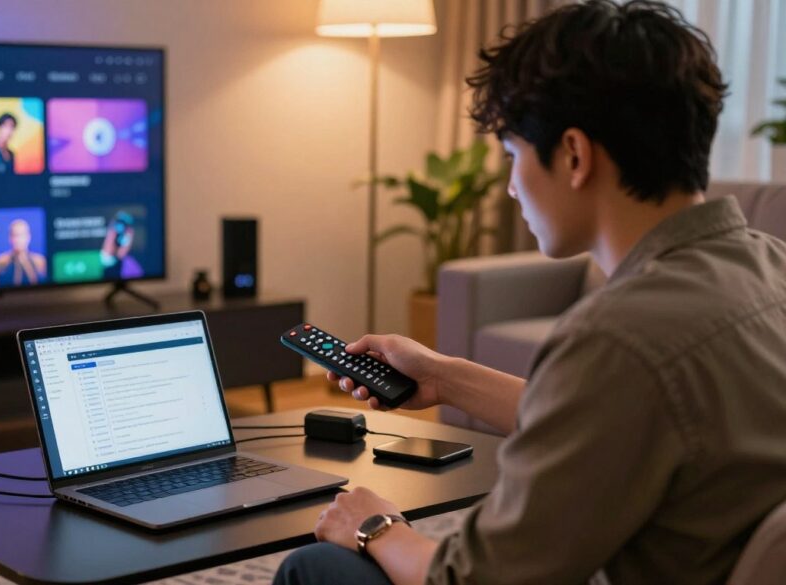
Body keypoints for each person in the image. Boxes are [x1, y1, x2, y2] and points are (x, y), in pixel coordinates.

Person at [275, 1, 786, 584]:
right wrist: (443, 378)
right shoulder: (770, 265)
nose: (512, 187)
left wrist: (377, 526)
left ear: (574, 155)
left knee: (315, 565)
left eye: (513, 155)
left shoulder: (618, 338)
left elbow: (473, 578)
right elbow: (612, 418)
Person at [0, 219, 47, 286]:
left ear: (28, 237)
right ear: (10, 238)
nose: (18, 239)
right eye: (15, 235)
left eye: (22, 235)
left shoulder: (40, 261)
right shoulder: (1, 261)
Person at [100, 211, 140, 280]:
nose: (120, 227)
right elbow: (108, 252)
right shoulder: (106, 258)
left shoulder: (132, 266)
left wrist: (127, 235)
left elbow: (121, 254)